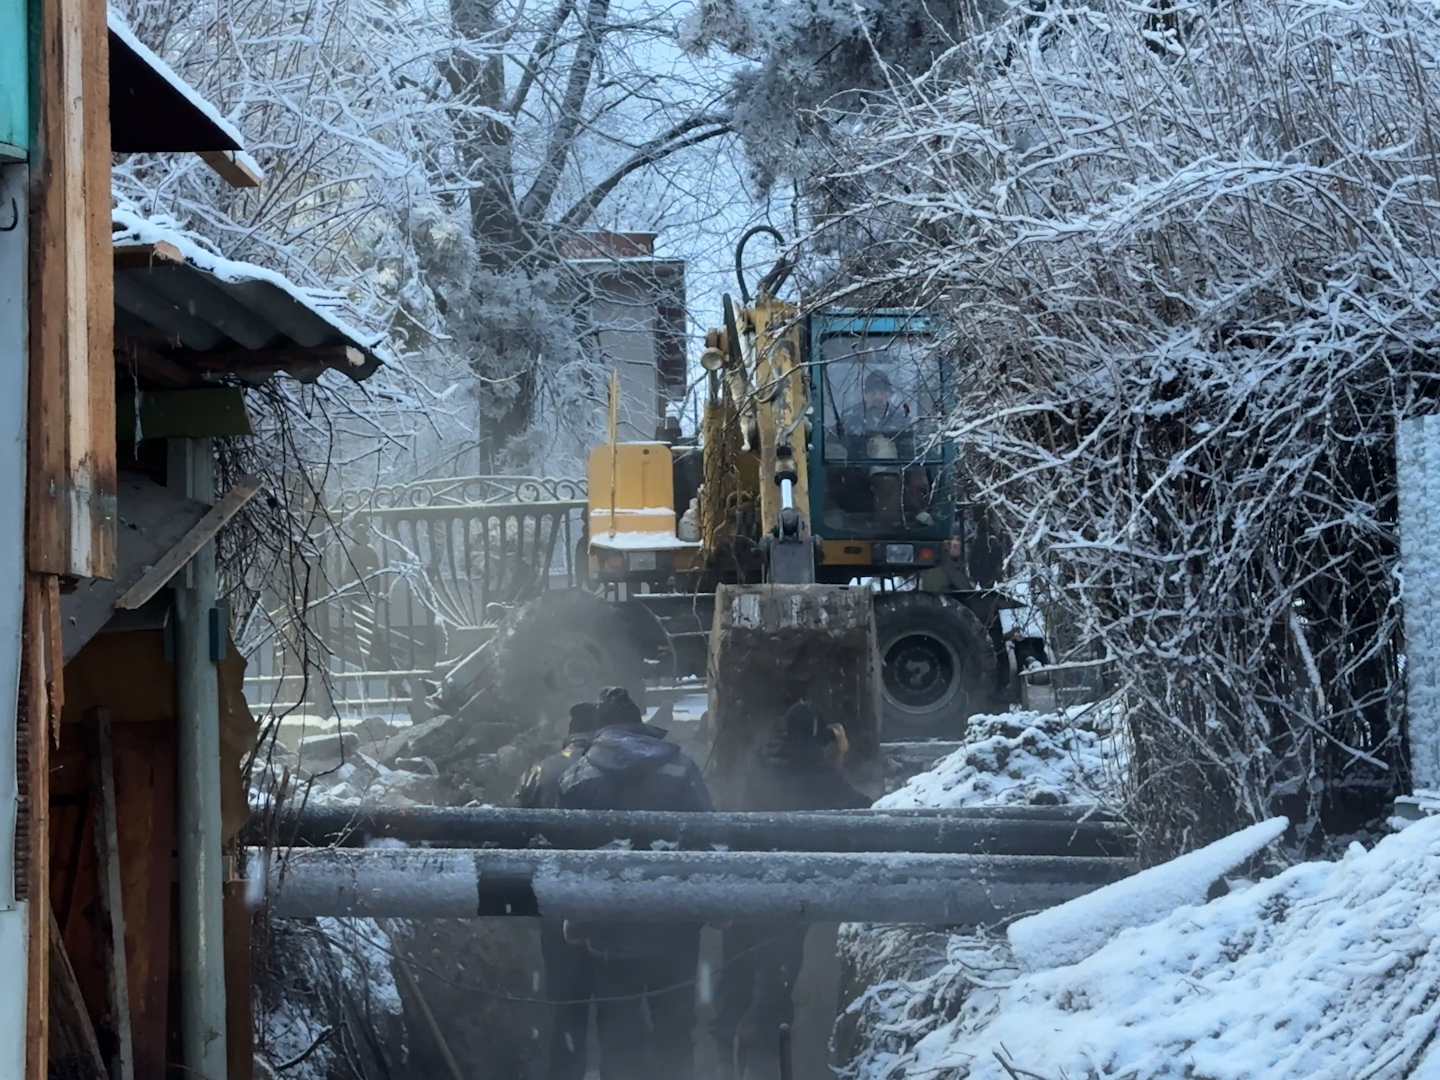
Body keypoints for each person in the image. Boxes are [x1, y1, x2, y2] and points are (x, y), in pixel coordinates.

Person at [556, 687, 713, 1080]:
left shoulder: (577, 776)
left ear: (601, 727)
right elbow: (707, 840)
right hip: (675, 926)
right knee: (675, 1032)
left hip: (608, 929)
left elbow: (567, 853)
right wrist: (713, 904)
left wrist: (575, 916)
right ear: (640, 722)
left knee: (619, 1036)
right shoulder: (682, 768)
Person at [712, 701, 871, 1080]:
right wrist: (840, 754)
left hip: (747, 884)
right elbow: (857, 808)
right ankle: (767, 1063)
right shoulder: (818, 772)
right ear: (819, 738)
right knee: (776, 985)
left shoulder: (760, 761)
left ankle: (722, 1054)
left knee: (737, 972)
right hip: (788, 894)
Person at [515, 703, 604, 1080]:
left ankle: (566, 1069)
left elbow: (514, 832)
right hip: (611, 901)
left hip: (555, 899)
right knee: (619, 1002)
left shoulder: (540, 770)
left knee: (567, 1004)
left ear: (569, 735)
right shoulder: (614, 771)